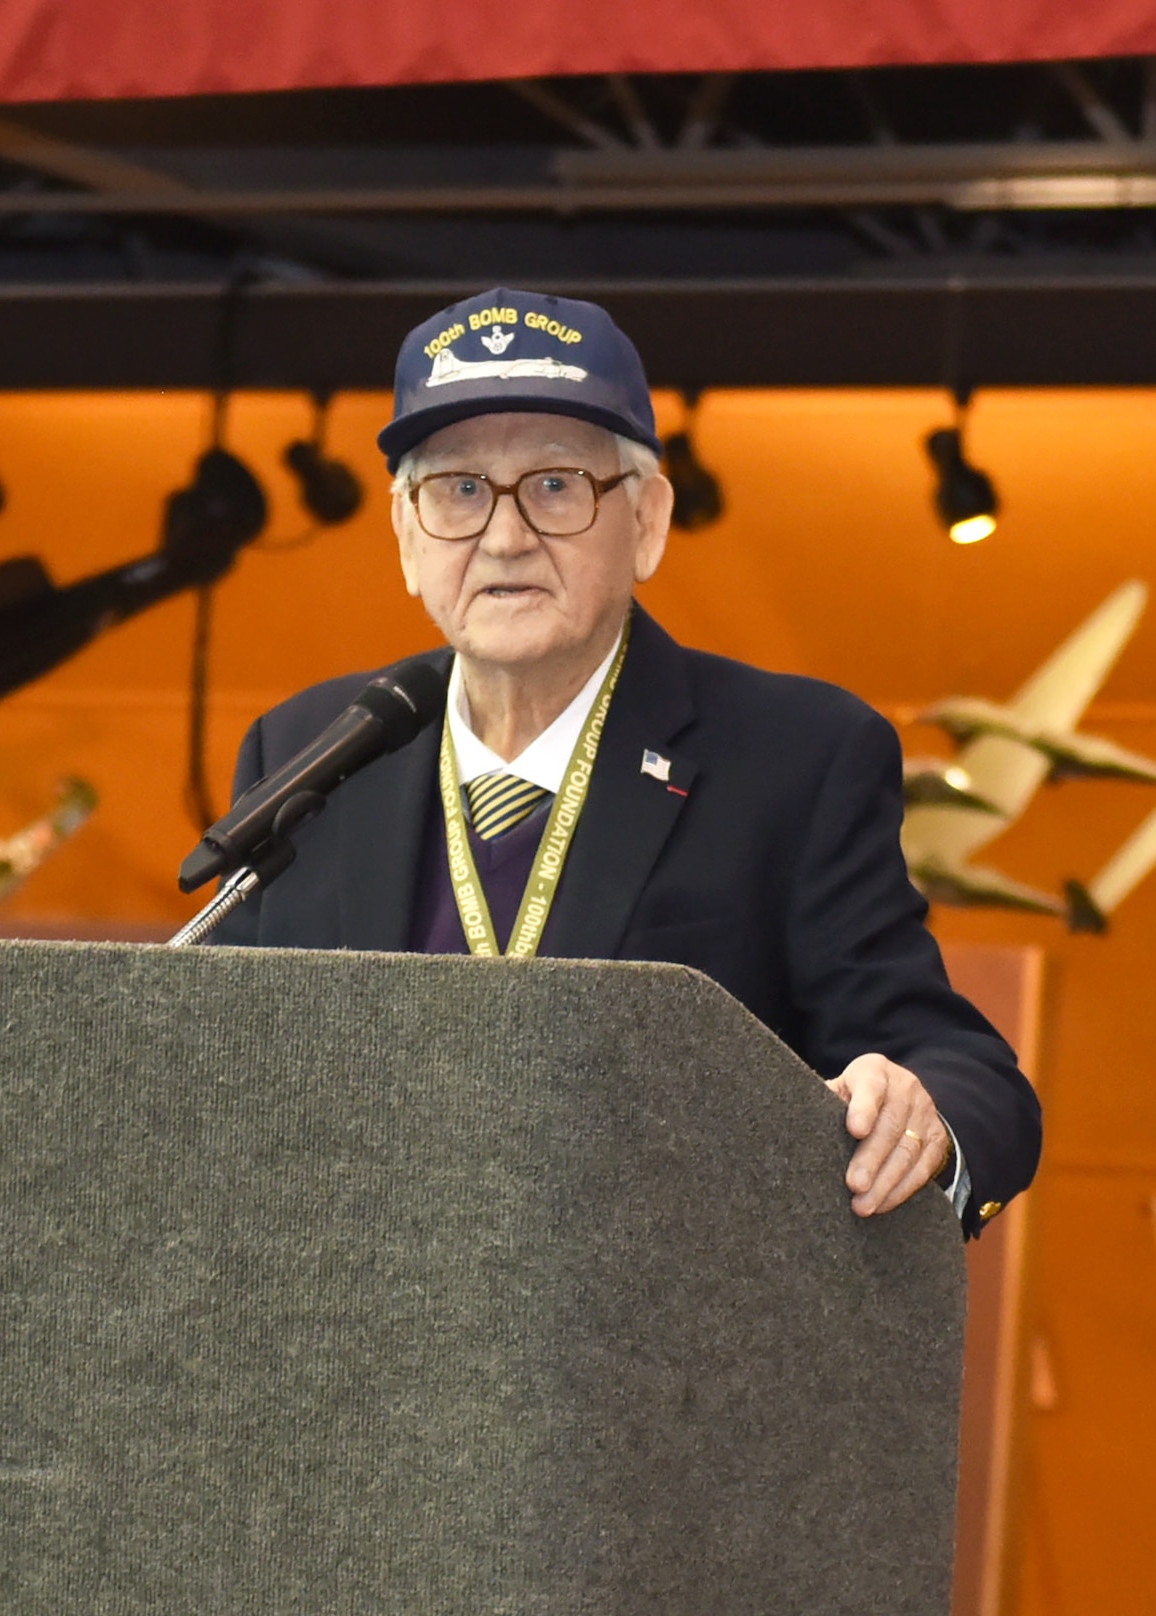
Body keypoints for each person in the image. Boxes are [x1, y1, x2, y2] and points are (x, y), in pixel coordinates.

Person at [211, 287, 1040, 1238]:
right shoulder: (311, 751)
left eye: (557, 484)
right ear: (406, 536)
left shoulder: (795, 758)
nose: (506, 535)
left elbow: (961, 1070)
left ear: (646, 520)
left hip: (657, 1360)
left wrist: (920, 1114)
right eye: (459, 489)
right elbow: (217, 1068)